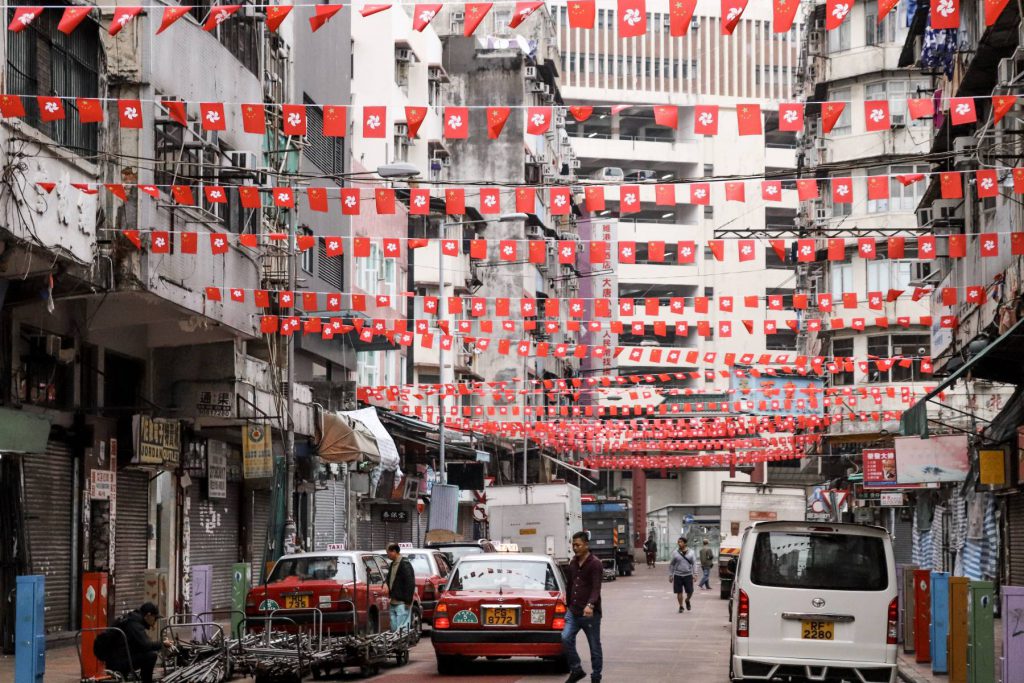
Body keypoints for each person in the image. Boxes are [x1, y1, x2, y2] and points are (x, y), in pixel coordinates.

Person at [93, 602, 171, 683]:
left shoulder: (131, 619)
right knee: (151, 656)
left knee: (147, 652)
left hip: (116, 659)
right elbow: (146, 645)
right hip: (118, 663)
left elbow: (140, 644)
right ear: (148, 615)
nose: (155, 622)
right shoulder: (134, 624)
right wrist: (162, 643)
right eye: (155, 618)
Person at [563, 530, 603, 683]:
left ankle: (596, 676)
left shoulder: (595, 564)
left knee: (594, 646)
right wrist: (567, 604)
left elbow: (596, 588)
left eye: (578, 545)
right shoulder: (573, 562)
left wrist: (590, 605)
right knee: (565, 638)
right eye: (573, 545)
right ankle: (576, 669)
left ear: (586, 545)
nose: (575, 548)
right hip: (573, 612)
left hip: (590, 614)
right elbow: (570, 585)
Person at [385, 543, 416, 631]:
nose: (387, 555)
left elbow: (410, 583)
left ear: (394, 551)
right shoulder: (392, 564)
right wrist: (385, 584)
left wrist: (408, 601)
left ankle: (402, 644)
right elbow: (389, 578)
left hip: (402, 603)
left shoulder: (404, 564)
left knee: (402, 630)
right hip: (393, 601)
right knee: (394, 629)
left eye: (388, 553)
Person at [668, 536, 697, 612]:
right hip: (678, 575)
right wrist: (671, 575)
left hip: (688, 575)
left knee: (690, 591)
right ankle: (681, 606)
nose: (679, 543)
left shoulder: (691, 552)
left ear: (685, 543)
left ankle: (687, 600)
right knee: (679, 592)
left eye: (681, 542)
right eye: (678, 542)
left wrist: (695, 574)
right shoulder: (675, 553)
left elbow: (694, 564)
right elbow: (672, 564)